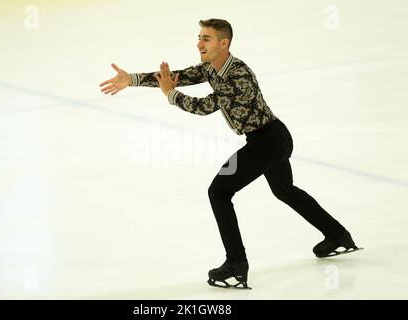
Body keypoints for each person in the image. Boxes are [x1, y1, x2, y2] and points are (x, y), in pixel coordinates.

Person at [99, 18, 361, 289]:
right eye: (199, 37)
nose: (199, 43)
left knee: (219, 192)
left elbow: (202, 106)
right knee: (284, 190)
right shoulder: (212, 69)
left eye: (206, 39)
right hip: (271, 139)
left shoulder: (238, 75)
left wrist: (171, 95)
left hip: (267, 142)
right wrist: (131, 79)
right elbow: (178, 76)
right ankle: (337, 234)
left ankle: (236, 264)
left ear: (224, 43)